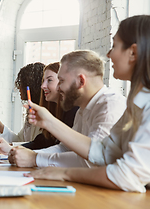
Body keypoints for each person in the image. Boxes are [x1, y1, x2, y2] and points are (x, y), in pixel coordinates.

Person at [24, 15, 150, 193]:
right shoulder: (136, 102)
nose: (108, 54)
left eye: (114, 46)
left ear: (133, 53)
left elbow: (126, 176)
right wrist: (48, 122)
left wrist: (65, 173)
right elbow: (105, 152)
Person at [9, 50, 126, 168]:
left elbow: (93, 161)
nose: (58, 88)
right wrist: (30, 155)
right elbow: (65, 148)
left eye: (61, 81)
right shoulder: (82, 109)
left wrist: (35, 159)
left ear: (81, 81)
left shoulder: (109, 106)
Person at [0, 62, 78, 154]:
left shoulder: (72, 111)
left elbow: (59, 148)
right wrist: (9, 148)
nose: (43, 86)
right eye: (43, 81)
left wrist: (11, 149)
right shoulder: (49, 109)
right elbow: (40, 142)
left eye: (49, 80)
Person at [0, 63, 45, 152]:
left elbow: (36, 145)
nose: (18, 88)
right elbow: (19, 140)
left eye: (21, 84)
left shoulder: (44, 112)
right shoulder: (31, 109)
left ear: (31, 86)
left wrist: (2, 147)